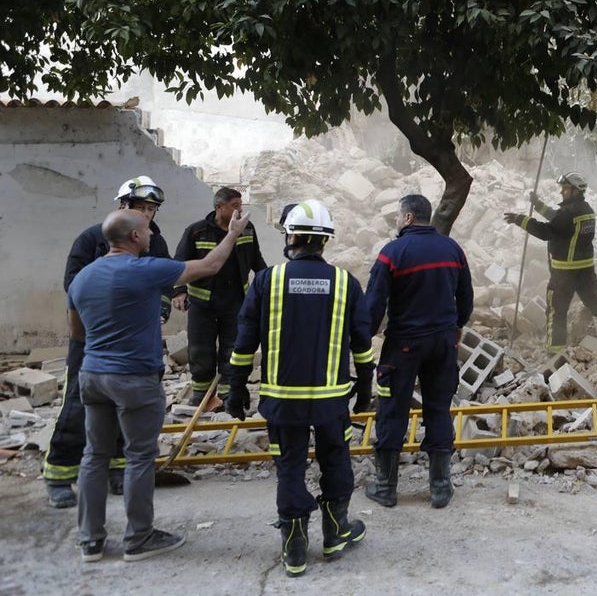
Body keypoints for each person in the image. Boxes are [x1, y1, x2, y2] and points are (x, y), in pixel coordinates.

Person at [69, 205, 250, 563]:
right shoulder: (145, 270)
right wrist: (233, 233)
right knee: (138, 457)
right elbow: (210, 266)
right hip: (134, 378)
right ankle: (139, 537)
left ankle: (90, 540)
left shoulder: (83, 277)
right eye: (148, 230)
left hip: (91, 376)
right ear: (134, 236)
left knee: (94, 456)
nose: (152, 235)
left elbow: (76, 332)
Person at [225, 200, 374, 578]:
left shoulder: (267, 281)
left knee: (289, 468)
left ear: (290, 237)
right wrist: (365, 388)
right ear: (324, 241)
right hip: (331, 402)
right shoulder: (345, 283)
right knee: (336, 459)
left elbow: (243, 343)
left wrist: (237, 388)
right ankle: (336, 531)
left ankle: (294, 548)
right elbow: (363, 343)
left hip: (282, 403)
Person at [44, 176, 173, 509]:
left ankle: (119, 470)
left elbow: (165, 283)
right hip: (94, 340)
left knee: (129, 408)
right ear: (122, 206)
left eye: (151, 210)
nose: (146, 216)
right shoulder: (91, 240)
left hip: (137, 343)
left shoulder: (154, 243)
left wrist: (162, 305)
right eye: (141, 208)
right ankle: (59, 474)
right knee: (77, 404)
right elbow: (74, 286)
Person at [364, 194, 472, 511]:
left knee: (392, 409)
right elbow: (465, 298)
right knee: (438, 409)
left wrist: (364, 338)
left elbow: (373, 306)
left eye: (398, 216)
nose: (396, 221)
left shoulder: (392, 253)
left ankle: (385, 487)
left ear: (408, 218)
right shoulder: (453, 250)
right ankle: (440, 487)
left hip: (404, 345)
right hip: (443, 343)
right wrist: (455, 326)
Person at [503, 171, 597, 352]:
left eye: (566, 189)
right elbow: (558, 219)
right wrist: (538, 205)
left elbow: (546, 231)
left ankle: (555, 355)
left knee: (556, 312)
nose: (562, 192)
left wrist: (521, 220)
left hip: (564, 275)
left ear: (576, 191)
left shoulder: (568, 214)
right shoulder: (586, 211)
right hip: (585, 271)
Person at [173, 187, 267, 406]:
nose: (240, 210)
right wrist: (178, 291)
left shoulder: (247, 229)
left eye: (241, 205)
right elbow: (179, 264)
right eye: (235, 206)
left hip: (235, 302)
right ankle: (201, 395)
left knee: (232, 347)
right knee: (200, 349)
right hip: (202, 304)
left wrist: (267, 287)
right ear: (219, 207)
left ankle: (227, 393)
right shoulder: (196, 231)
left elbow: (257, 261)